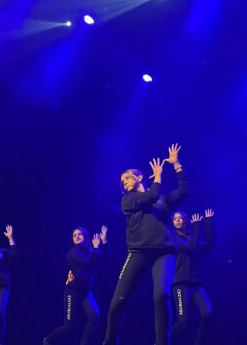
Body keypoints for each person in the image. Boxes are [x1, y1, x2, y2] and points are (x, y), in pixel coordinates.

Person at [103, 144, 187, 345]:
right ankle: (110, 341)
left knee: (161, 295)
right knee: (118, 302)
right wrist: (158, 178)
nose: (124, 182)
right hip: (138, 251)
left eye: (127, 178)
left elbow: (184, 191)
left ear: (139, 177)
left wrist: (177, 166)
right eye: (122, 181)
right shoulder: (128, 199)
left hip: (164, 253)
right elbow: (149, 197)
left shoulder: (161, 200)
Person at [44, 225, 109, 345]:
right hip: (72, 292)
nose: (77, 236)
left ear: (85, 236)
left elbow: (104, 259)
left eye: (79, 234)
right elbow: (87, 263)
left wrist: (104, 242)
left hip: (85, 291)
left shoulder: (90, 251)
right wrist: (96, 248)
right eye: (74, 235)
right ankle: (47, 341)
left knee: (95, 316)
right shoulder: (72, 253)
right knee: (69, 328)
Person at [171, 209, 214, 345]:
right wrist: (196, 227)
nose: (178, 220)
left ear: (185, 221)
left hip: (196, 284)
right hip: (180, 284)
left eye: (180, 218)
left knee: (207, 314)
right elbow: (190, 247)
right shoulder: (172, 238)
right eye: (175, 219)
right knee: (182, 324)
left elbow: (208, 245)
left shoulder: (191, 238)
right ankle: (161, 339)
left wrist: (208, 222)